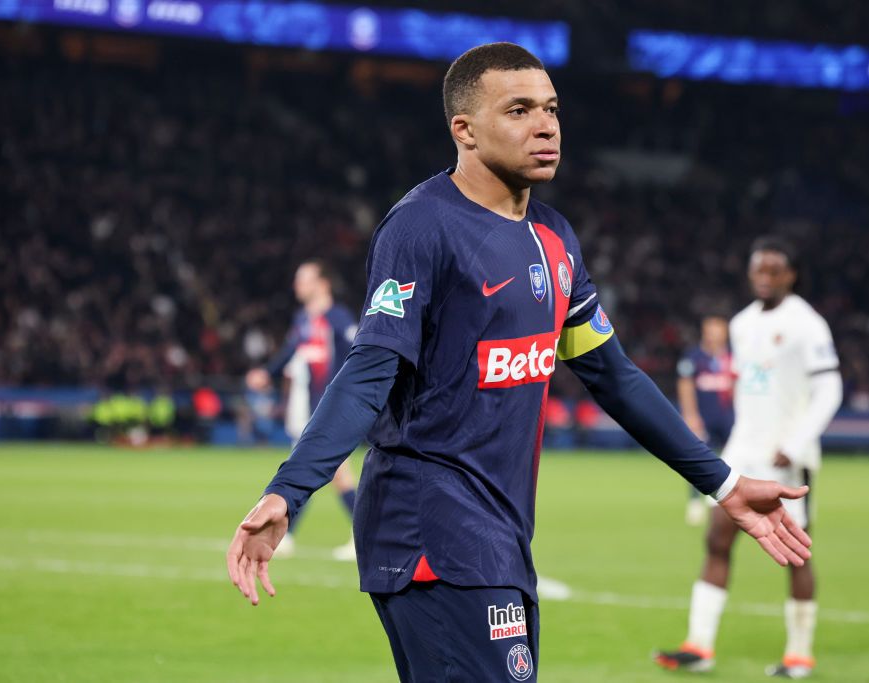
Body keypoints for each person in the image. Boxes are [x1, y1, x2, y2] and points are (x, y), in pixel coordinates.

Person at [227, 44, 813, 683]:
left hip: (501, 532)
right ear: (466, 131)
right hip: (430, 528)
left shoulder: (555, 238)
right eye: (520, 110)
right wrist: (290, 488)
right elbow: (371, 369)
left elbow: (613, 375)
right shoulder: (421, 228)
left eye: (552, 109)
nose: (547, 125)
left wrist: (723, 484)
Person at [654, 236, 843, 679]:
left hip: (786, 458)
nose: (764, 277)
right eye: (758, 269)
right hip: (744, 450)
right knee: (717, 540)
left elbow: (829, 389)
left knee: (796, 552)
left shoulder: (807, 325)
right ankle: (699, 646)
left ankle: (799, 653)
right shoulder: (740, 324)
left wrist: (796, 442)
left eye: (774, 270)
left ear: (791, 275)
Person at [245, 259, 359, 560]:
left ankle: (362, 537)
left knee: (320, 470)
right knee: (317, 470)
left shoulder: (338, 318)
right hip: (310, 409)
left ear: (323, 283)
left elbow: (359, 354)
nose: (298, 285)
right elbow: (289, 353)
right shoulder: (303, 320)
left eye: (304, 279)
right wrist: (266, 373)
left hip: (334, 407)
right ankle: (291, 536)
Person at [677, 316, 735, 525]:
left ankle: (730, 502)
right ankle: (695, 503)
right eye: (710, 331)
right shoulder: (693, 357)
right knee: (697, 461)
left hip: (729, 417)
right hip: (703, 417)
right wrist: (690, 415)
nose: (714, 336)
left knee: (734, 459)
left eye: (717, 331)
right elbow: (685, 386)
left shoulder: (733, 356)